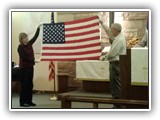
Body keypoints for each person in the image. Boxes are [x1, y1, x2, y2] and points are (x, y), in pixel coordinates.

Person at [99, 14, 126, 108]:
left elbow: (112, 53)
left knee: (115, 84)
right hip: (116, 63)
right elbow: (108, 33)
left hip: (116, 63)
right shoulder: (118, 37)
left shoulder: (119, 40)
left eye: (111, 29)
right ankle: (117, 103)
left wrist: (103, 57)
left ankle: (117, 104)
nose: (110, 31)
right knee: (115, 84)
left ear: (115, 30)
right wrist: (102, 23)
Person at [17, 24, 42, 107]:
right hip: (23, 68)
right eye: (24, 38)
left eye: (27, 37)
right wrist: (34, 60)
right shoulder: (20, 47)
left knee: (30, 84)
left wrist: (38, 28)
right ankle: (22, 102)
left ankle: (29, 101)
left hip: (30, 67)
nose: (26, 39)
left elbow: (35, 37)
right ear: (21, 39)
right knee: (24, 85)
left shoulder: (30, 44)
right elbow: (24, 57)